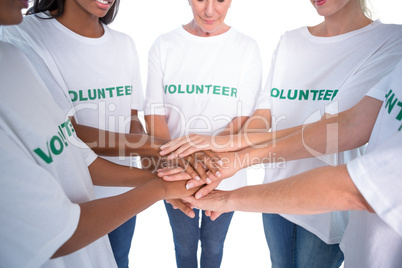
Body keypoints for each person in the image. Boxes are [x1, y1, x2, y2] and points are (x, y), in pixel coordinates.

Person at [160, 0, 402, 266]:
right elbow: (263, 119)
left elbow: (340, 129)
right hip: (272, 193)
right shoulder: (290, 41)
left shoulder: (390, 41)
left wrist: (236, 156)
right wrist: (218, 151)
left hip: (324, 208)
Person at [0, 1, 198, 267]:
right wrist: (162, 154)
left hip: (125, 194)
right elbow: (73, 136)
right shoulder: (19, 37)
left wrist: (156, 173)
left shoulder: (11, 56)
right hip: (79, 205)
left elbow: (82, 146)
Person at [143, 0, 262, 267]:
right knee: (184, 248)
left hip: (225, 175)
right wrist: (179, 169)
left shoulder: (246, 48)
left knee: (214, 247)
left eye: (219, 0)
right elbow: (154, 116)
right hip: (174, 174)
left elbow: (243, 120)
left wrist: (206, 169)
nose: (209, 10)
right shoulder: (164, 46)